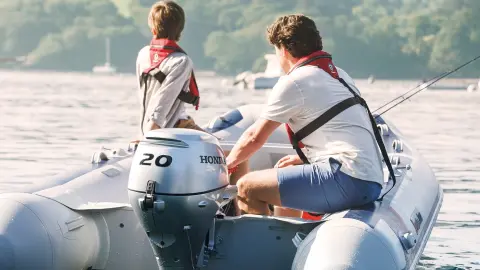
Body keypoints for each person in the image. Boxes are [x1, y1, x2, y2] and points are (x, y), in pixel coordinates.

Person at [226, 14, 392, 217]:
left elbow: (254, 138)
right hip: (370, 181)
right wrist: (302, 159)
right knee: (283, 176)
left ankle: (261, 248)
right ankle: (286, 242)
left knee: (247, 187)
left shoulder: (294, 81)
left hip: (346, 179)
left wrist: (226, 166)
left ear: (284, 50)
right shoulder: (340, 75)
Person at [136, 0, 203, 137]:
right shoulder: (181, 61)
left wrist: (144, 133)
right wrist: (151, 134)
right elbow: (164, 100)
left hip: (146, 126)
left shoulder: (143, 55)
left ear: (153, 29)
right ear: (180, 29)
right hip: (172, 128)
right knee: (237, 156)